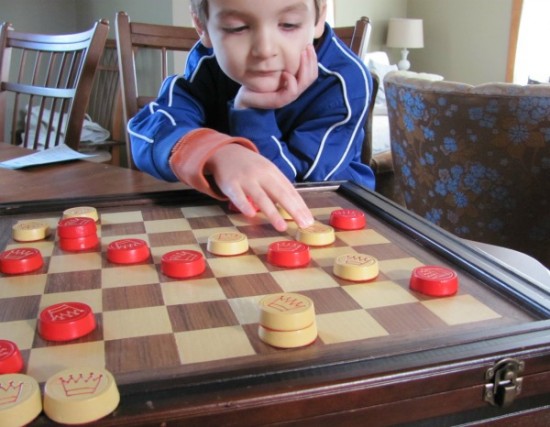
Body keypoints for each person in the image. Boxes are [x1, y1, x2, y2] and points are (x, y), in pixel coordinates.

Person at [128, 0, 374, 231]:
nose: (265, 50)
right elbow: (146, 131)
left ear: (319, 18)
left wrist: (251, 113)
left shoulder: (343, 81)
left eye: (288, 24)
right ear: (203, 26)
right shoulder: (207, 66)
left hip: (333, 216)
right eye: (237, 28)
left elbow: (303, 187)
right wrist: (216, 151)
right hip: (232, 213)